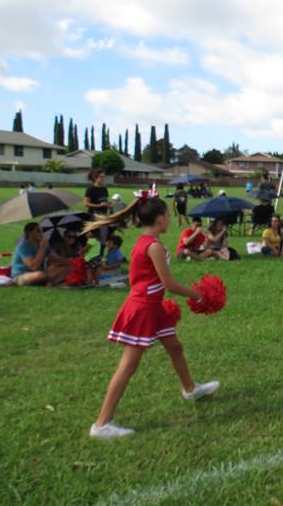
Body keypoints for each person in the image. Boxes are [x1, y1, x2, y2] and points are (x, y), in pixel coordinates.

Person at [84, 193, 219, 439]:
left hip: (154, 306)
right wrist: (197, 294)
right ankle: (102, 424)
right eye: (168, 214)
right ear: (159, 219)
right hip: (143, 309)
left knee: (175, 347)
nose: (170, 218)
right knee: (128, 365)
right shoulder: (153, 246)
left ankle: (190, 389)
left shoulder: (146, 240)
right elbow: (169, 284)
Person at [84, 170, 112, 254]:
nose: (103, 179)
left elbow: (104, 201)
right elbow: (86, 204)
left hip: (103, 217)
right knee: (94, 239)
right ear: (95, 178)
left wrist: (108, 205)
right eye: (101, 177)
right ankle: (90, 257)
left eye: (104, 177)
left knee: (103, 238)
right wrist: (99, 205)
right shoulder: (90, 189)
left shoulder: (104, 188)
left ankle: (100, 256)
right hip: (94, 217)